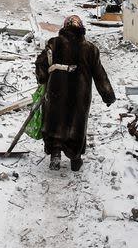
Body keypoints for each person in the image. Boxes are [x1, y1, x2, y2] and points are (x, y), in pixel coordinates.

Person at [35, 15, 116, 171]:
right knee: (76, 124)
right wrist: (108, 95)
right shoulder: (91, 49)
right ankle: (75, 159)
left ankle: (56, 153)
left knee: (55, 120)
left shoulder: (54, 44)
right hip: (80, 95)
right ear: (81, 29)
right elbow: (100, 74)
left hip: (56, 92)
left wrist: (42, 78)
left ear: (64, 27)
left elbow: (41, 63)